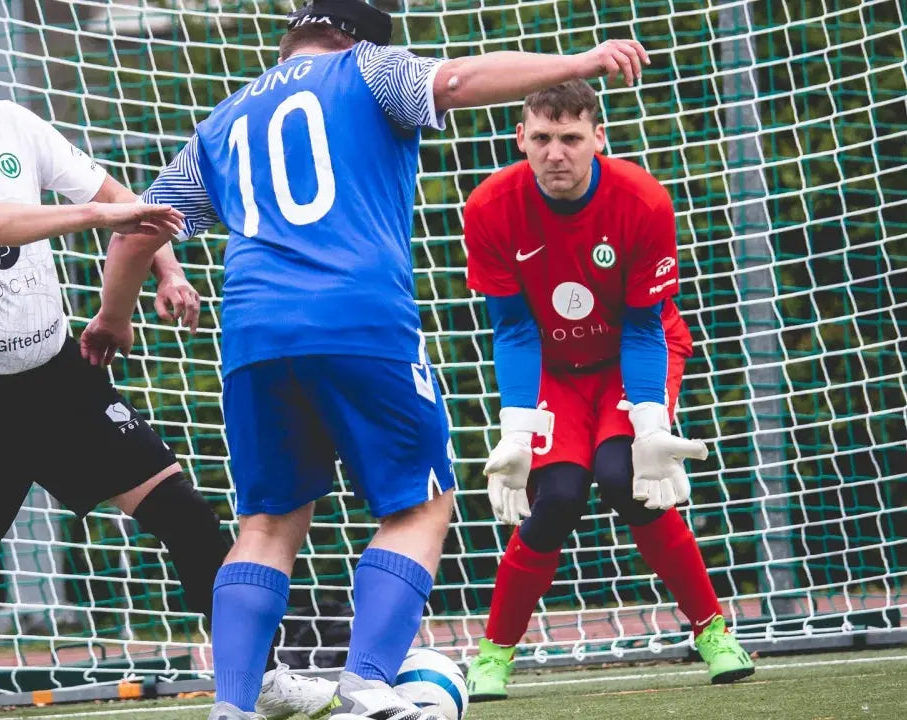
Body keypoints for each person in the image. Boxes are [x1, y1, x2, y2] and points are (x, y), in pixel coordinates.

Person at [79, 1, 650, 717]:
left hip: (255, 336)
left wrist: (112, 317)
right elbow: (456, 81)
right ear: (354, 36)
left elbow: (135, 233)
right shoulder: (367, 69)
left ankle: (231, 707)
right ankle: (369, 686)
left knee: (266, 522)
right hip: (360, 320)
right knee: (421, 501)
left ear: (295, 33)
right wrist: (580, 62)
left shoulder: (221, 122)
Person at [0, 9, 318, 720]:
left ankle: (257, 679)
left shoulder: (12, 124)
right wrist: (96, 222)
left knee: (186, 516)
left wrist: (164, 268)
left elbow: (117, 201)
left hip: (56, 379)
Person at [460, 79, 756, 701]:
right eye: (541, 138)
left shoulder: (643, 200)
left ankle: (713, 632)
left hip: (632, 356)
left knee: (626, 476)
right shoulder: (489, 207)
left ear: (599, 137)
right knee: (560, 495)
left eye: (570, 138)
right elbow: (514, 331)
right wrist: (516, 431)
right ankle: (494, 652)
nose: (555, 153)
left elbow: (647, 327)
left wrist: (650, 427)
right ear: (521, 139)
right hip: (553, 369)